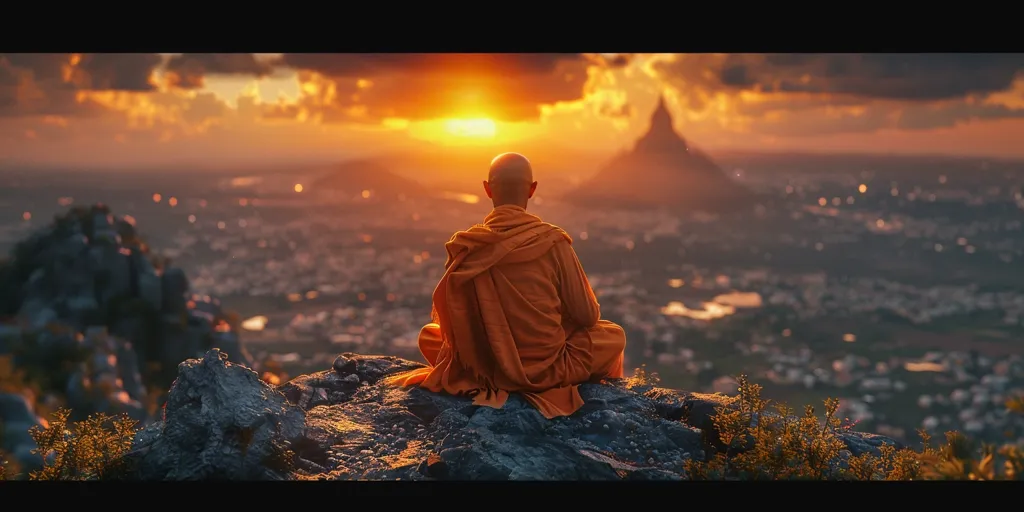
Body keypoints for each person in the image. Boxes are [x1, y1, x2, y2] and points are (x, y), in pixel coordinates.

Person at [385, 152, 627, 419]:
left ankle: (499, 374)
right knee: (614, 335)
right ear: (532, 190)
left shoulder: (468, 245)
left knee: (430, 335)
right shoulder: (552, 242)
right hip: (545, 368)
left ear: (487, 189)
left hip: (485, 366)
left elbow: (459, 320)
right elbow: (588, 316)